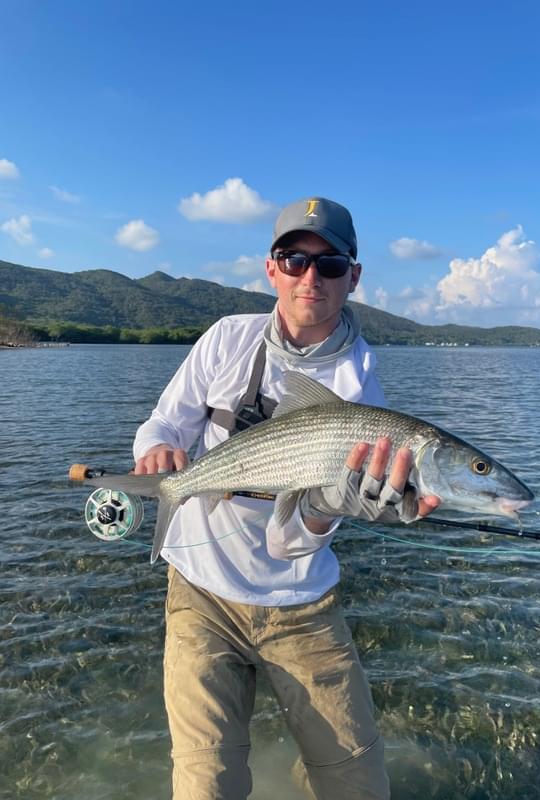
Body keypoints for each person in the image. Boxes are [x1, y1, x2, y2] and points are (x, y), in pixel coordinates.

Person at [133, 197, 440, 800]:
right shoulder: (226, 337)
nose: (310, 277)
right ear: (270, 268)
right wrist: (159, 453)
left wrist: (326, 507)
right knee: (206, 787)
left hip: (302, 602)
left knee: (359, 785)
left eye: (330, 265)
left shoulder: (359, 388)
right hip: (200, 591)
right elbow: (163, 424)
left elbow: (288, 541)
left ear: (353, 277)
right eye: (294, 259)